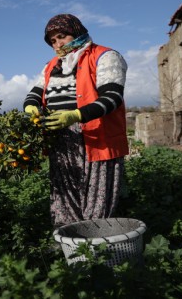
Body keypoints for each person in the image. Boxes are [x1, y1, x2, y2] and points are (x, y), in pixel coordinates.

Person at [23, 14, 129, 228]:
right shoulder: (52, 65)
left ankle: (96, 244)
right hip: (61, 139)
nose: (57, 44)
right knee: (65, 193)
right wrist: (30, 106)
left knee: (96, 195)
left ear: (77, 32)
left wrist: (75, 115)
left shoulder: (105, 56)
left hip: (96, 137)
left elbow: (112, 97)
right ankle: (70, 241)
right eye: (52, 41)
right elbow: (35, 92)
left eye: (62, 37)